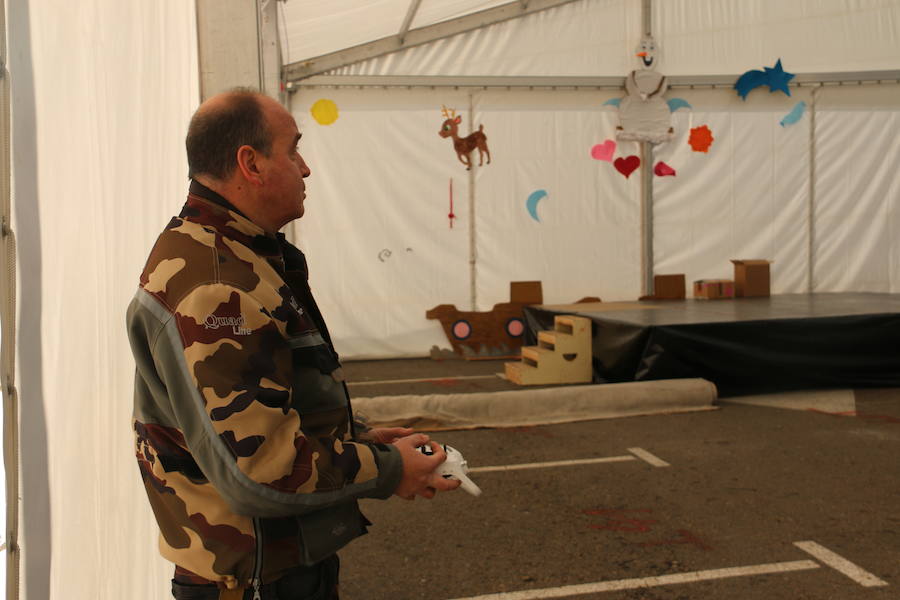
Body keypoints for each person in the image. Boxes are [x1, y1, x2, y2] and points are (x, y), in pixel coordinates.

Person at [127, 88, 459, 600]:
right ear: (251, 163)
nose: (305, 169)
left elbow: (264, 405)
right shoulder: (218, 285)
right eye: (293, 150)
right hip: (255, 580)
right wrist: (390, 471)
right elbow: (259, 471)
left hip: (265, 569)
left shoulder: (233, 254)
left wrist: (363, 441)